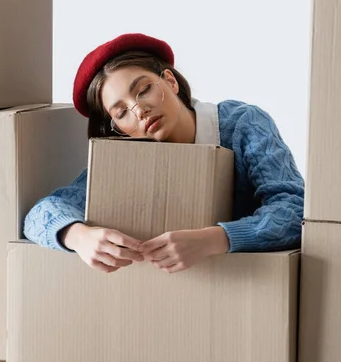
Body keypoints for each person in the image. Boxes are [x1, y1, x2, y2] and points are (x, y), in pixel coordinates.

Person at [24, 33, 304, 274]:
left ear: (170, 81)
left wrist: (213, 239)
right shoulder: (125, 159)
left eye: (143, 90)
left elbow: (295, 209)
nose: (139, 110)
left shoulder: (242, 123)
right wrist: (78, 236)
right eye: (121, 112)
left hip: (249, 288)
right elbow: (39, 215)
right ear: (119, 128)